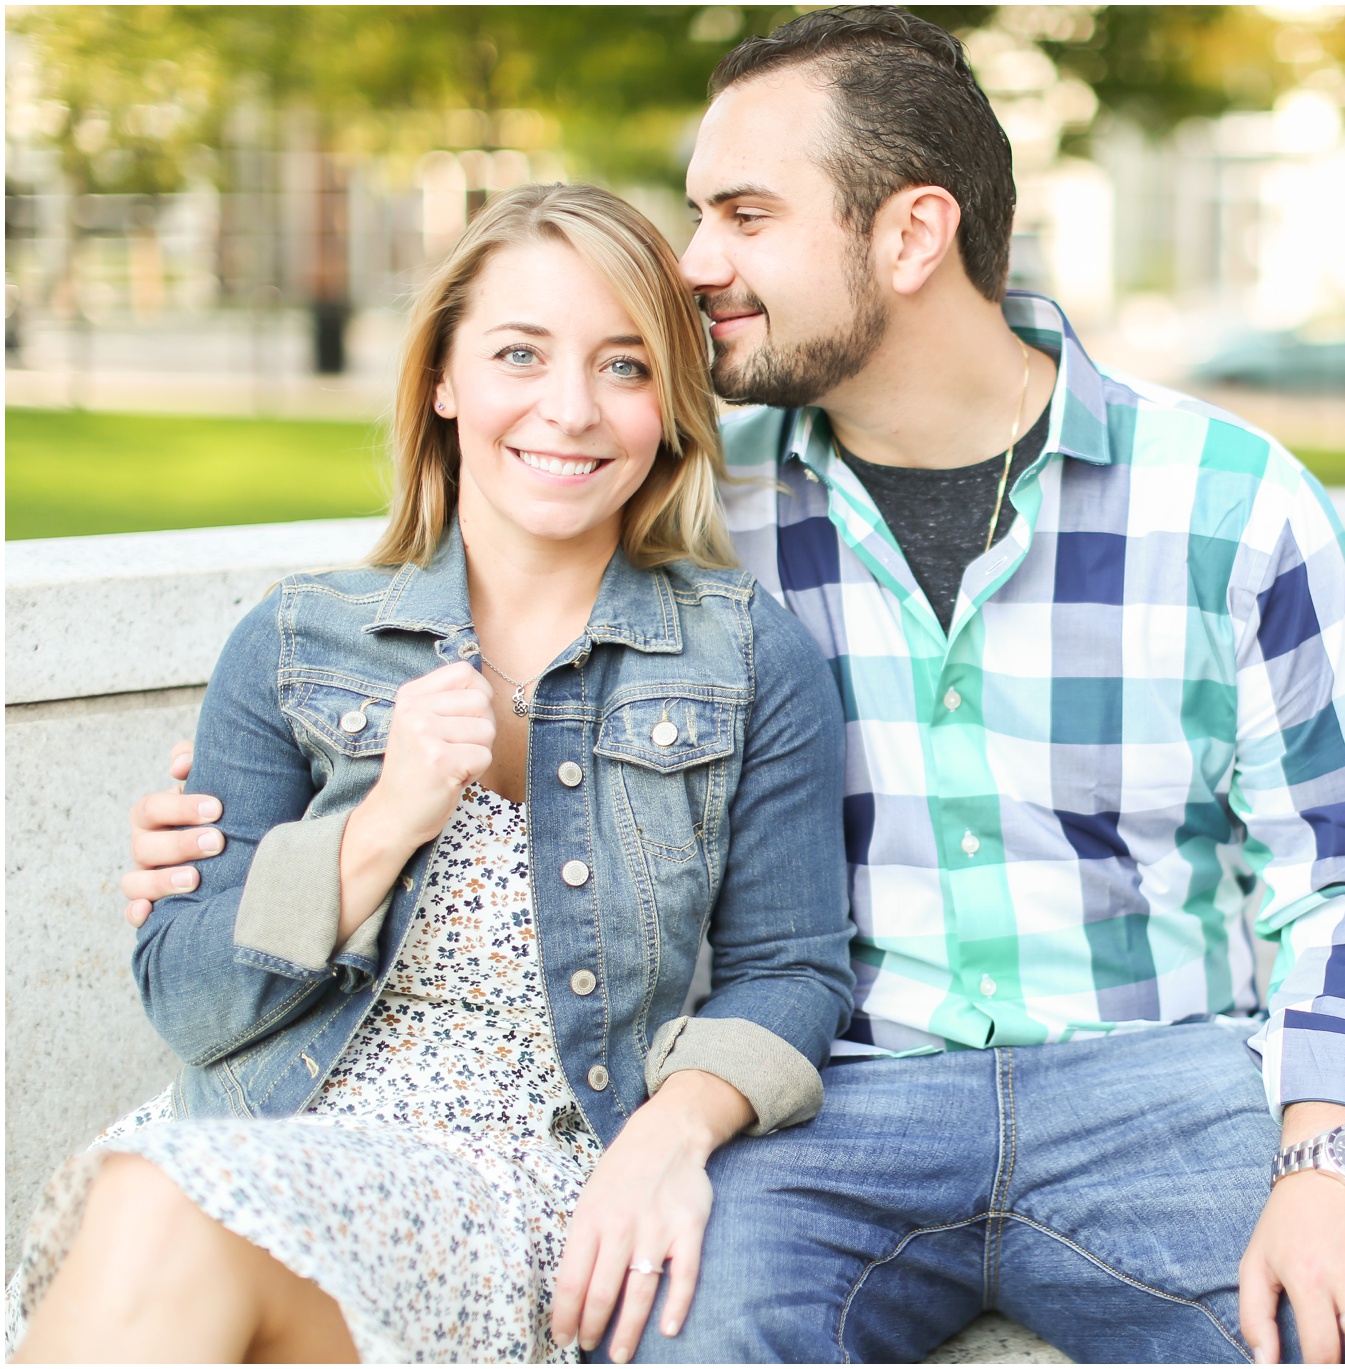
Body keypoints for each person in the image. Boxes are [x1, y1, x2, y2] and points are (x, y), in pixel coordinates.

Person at [119, 8, 1345, 1364]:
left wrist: (1334, 1152)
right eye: (698, 213)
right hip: (822, 1108)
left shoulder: (1227, 501)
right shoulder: (678, 501)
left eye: (745, 215)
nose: (697, 261)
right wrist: (269, 848)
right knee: (668, 1333)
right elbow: (472, 627)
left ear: (910, 235)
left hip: (1161, 1089)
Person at [17, 183, 854, 1363]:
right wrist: (378, 829)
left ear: (670, 405)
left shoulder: (749, 655)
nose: (569, 410)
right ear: (443, 380)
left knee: (159, 1208)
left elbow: (792, 971)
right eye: (520, 353)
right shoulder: (296, 640)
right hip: (268, 1137)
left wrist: (672, 1134)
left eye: (624, 367)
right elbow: (194, 1005)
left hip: (540, 1187)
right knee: (154, 1196)